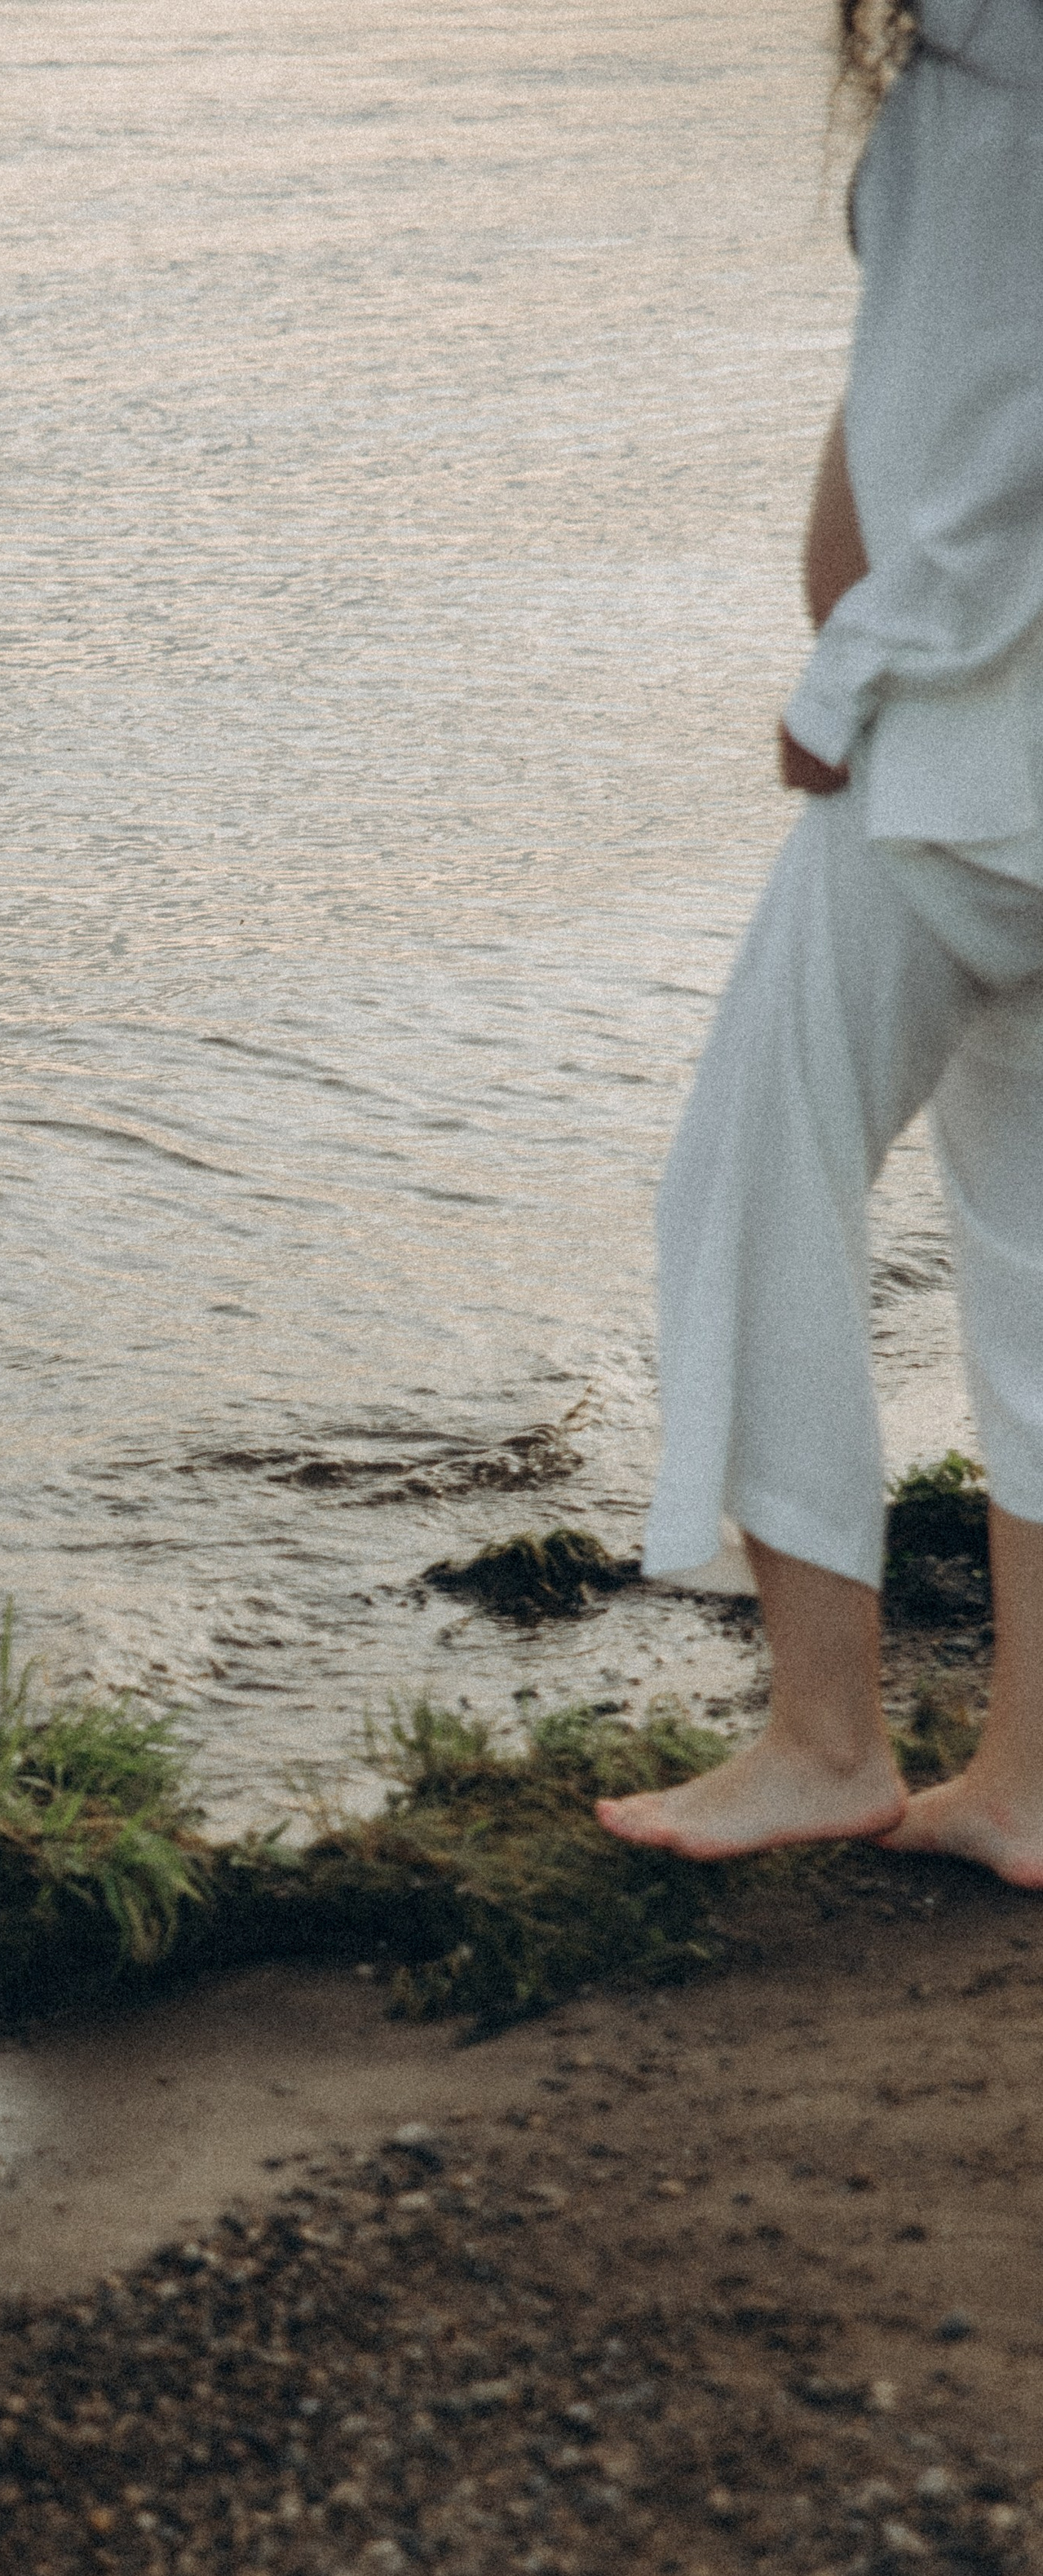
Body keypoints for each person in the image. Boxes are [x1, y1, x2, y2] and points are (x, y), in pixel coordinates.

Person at [598, 0, 1043, 1887]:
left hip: (963, 740)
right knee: (1028, 1264)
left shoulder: (1000, 50)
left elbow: (1001, 413)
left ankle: (821, 1734)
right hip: (991, 733)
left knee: (745, 1186)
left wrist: (846, 666)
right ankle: (1025, 1783)